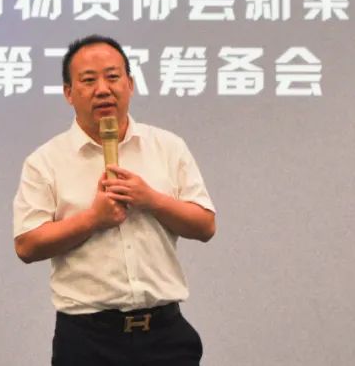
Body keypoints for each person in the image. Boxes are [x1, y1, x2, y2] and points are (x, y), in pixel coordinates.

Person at [13, 35, 216, 366]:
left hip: (165, 335)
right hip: (88, 339)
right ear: (68, 93)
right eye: (88, 80)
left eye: (112, 77)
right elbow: (26, 245)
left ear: (130, 84)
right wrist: (92, 219)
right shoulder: (45, 161)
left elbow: (205, 225)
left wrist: (151, 199)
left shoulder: (167, 147)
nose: (103, 89)